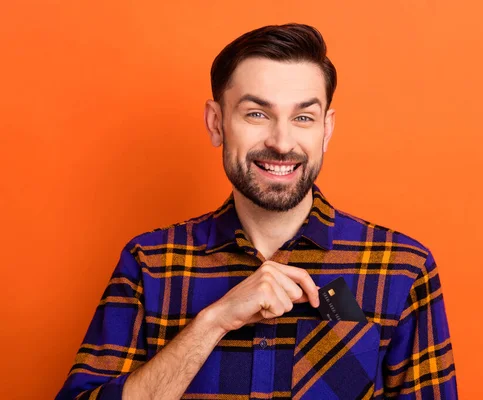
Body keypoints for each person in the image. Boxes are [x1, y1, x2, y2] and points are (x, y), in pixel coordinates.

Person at [56, 23, 458, 400]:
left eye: (303, 117)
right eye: (257, 114)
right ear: (216, 123)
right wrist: (213, 322)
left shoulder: (403, 268)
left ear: (326, 130)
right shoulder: (150, 263)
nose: (282, 142)